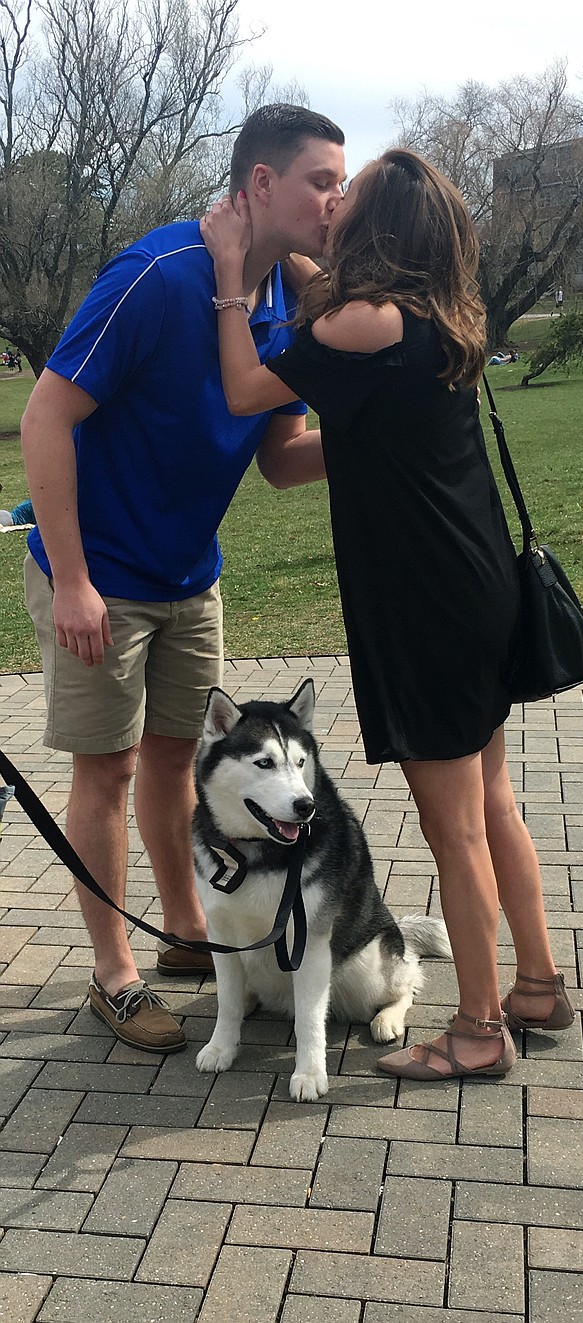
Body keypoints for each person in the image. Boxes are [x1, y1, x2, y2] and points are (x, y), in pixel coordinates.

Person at [200, 148, 573, 1082]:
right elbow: (300, 429)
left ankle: (480, 1030)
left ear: (378, 229)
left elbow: (248, 388)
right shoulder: (431, 315)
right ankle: (536, 983)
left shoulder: (363, 321)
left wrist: (228, 280)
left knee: (454, 829)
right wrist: (289, 248)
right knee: (492, 803)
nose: (332, 207)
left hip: (427, 609)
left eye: (346, 197)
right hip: (474, 588)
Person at [19, 104, 347, 1054]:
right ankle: (114, 973)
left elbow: (283, 458)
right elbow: (45, 416)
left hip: (187, 570)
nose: (335, 201)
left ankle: (185, 931)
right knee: (109, 766)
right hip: (100, 572)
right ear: (259, 185)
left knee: (173, 758)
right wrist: (73, 579)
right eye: (320, 182)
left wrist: (385, 431)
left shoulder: (289, 299)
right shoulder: (158, 277)